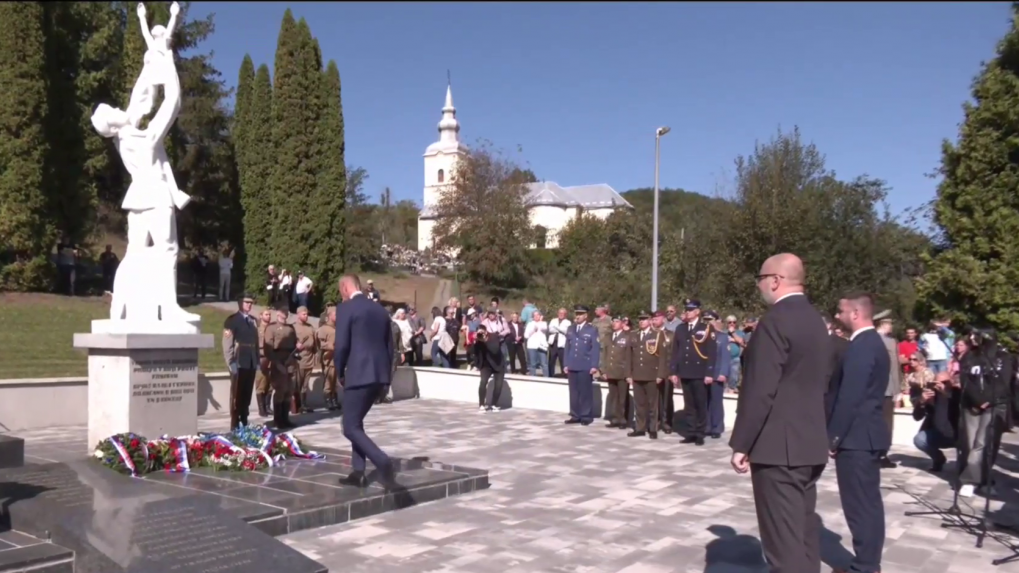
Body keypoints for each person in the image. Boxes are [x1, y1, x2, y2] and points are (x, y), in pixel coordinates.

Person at [729, 253, 831, 573]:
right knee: (802, 538)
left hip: (778, 449)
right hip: (809, 443)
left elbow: (760, 389)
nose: (760, 286)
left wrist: (742, 443)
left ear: (775, 280)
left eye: (761, 279)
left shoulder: (775, 322)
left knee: (783, 548)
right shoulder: (816, 320)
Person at [827, 293, 890, 573]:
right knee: (867, 504)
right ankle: (866, 562)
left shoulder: (863, 346)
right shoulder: (869, 343)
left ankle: (865, 566)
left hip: (857, 438)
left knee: (860, 506)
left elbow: (850, 396)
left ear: (855, 313)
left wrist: (834, 437)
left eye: (841, 311)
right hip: (864, 435)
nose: (837, 316)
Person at [333, 274, 396, 489]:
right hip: (378, 375)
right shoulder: (380, 310)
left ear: (344, 287)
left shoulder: (346, 309)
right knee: (356, 422)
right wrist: (386, 379)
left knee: (349, 427)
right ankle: (358, 473)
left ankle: (382, 462)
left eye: (340, 290)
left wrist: (339, 371)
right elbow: (390, 347)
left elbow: (341, 345)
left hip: (358, 374)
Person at [957, 327, 1013, 498]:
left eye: (976, 335)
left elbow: (1004, 381)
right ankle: (982, 479)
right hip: (971, 405)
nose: (972, 338)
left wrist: (988, 400)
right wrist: (977, 400)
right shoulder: (969, 356)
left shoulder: (1003, 357)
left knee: (983, 444)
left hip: (995, 405)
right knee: (970, 443)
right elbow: (965, 380)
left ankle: (971, 481)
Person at [669, 299, 717, 445]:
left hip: (700, 371)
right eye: (686, 310)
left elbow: (711, 352)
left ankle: (700, 433)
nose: (687, 312)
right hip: (685, 370)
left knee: (700, 404)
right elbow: (676, 351)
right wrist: (673, 371)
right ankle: (690, 432)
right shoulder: (681, 329)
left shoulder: (706, 328)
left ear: (697, 312)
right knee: (688, 404)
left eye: (690, 310)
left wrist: (709, 373)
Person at [222, 293, 259, 430]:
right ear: (239, 303)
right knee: (237, 393)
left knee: (247, 392)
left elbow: (256, 342)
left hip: (250, 361)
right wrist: (230, 362)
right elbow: (227, 343)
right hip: (238, 360)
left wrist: (257, 361)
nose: (249, 305)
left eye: (251, 303)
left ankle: (244, 418)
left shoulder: (253, 321)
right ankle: (235, 422)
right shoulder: (232, 320)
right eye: (246, 302)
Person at [627, 312, 665, 439]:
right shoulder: (634, 335)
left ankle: (652, 428)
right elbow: (629, 357)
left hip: (651, 374)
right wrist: (629, 374)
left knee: (652, 404)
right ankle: (640, 428)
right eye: (640, 319)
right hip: (637, 374)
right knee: (639, 404)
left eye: (644, 319)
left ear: (650, 321)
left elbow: (663, 357)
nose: (641, 322)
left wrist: (660, 374)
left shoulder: (657, 335)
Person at [563, 305, 600, 426]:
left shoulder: (591, 330)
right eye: (576, 314)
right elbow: (567, 347)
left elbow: (595, 348)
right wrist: (565, 363)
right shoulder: (571, 328)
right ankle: (575, 414)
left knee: (585, 392)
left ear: (585, 316)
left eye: (580, 314)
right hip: (572, 364)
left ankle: (585, 415)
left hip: (585, 365)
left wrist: (594, 365)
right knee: (573, 392)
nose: (577, 316)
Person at [874, 311, 902, 469]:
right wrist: (897, 390)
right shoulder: (890, 342)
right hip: (886, 389)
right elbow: (894, 368)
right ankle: (882, 454)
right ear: (884, 324)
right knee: (886, 422)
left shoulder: (866, 340)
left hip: (872, 389)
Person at [264, 307, 297, 430]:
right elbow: (268, 348)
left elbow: (294, 343)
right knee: (280, 391)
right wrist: (276, 363)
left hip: (290, 362)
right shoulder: (271, 328)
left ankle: (285, 418)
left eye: (287, 313)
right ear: (277, 313)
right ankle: (278, 420)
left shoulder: (291, 328)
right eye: (283, 312)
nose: (285, 315)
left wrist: (298, 346)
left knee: (289, 391)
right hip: (279, 361)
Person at [601, 316, 631, 429]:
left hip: (622, 371)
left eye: (617, 321)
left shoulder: (627, 336)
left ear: (622, 324)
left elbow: (629, 356)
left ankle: (623, 419)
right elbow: (604, 354)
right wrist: (603, 370)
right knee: (613, 396)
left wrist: (628, 373)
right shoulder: (608, 337)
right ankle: (615, 418)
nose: (614, 323)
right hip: (611, 371)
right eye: (613, 321)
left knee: (622, 397)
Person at [705, 310, 730, 439]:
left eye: (710, 320)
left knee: (716, 402)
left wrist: (723, 373)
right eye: (706, 320)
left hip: (716, 374)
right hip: (704, 374)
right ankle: (707, 426)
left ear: (715, 321)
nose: (707, 323)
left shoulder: (722, 337)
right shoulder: (701, 336)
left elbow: (725, 357)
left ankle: (717, 427)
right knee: (705, 401)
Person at [475, 324, 506, 412]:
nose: (481, 334)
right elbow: (472, 352)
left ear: (486, 331)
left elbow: (495, 350)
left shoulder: (493, 337)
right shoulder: (478, 339)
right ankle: (481, 404)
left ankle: (494, 404)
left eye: (482, 332)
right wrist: (475, 341)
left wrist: (485, 340)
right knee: (483, 382)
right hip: (486, 365)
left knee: (498, 385)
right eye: (479, 332)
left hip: (498, 364)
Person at [317, 306, 340, 411]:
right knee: (328, 381)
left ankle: (334, 399)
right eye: (335, 314)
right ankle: (328, 401)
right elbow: (320, 344)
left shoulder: (338, 328)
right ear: (330, 316)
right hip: (328, 359)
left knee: (335, 382)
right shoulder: (323, 329)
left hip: (337, 358)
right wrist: (331, 346)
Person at [253, 308, 273, 417]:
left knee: (270, 385)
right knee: (261, 384)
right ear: (261, 316)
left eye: (269, 314)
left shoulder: (272, 328)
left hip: (272, 359)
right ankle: (261, 409)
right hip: (261, 358)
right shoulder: (257, 329)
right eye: (266, 314)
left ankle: (267, 406)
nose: (268, 316)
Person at [524, 310, 549, 377]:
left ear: (540, 316)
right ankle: (533, 378)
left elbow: (545, 328)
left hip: (542, 346)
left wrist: (540, 321)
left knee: (544, 364)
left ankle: (546, 379)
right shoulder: (530, 324)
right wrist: (533, 330)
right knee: (532, 364)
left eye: (537, 315)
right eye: (534, 315)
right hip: (532, 346)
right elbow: (526, 335)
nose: (536, 316)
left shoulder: (543, 323)